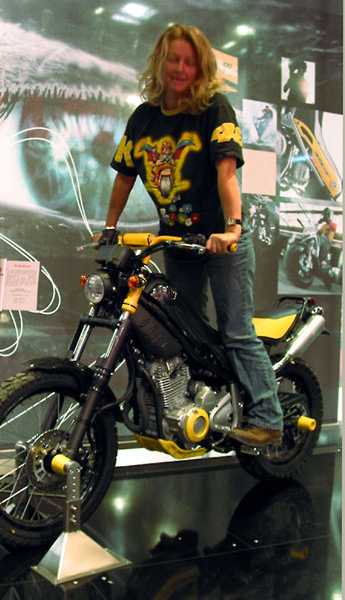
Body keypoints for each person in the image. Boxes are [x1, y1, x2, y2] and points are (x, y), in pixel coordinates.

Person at [92, 24, 283, 447]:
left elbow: (227, 173)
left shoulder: (214, 109)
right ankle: (191, 413)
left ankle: (269, 418)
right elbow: (124, 177)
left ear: (201, 67)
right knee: (183, 335)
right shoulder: (144, 117)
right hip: (178, 241)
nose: (179, 68)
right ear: (160, 62)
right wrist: (110, 228)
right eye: (173, 59)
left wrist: (232, 228)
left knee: (235, 330)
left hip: (220, 239)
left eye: (189, 61)